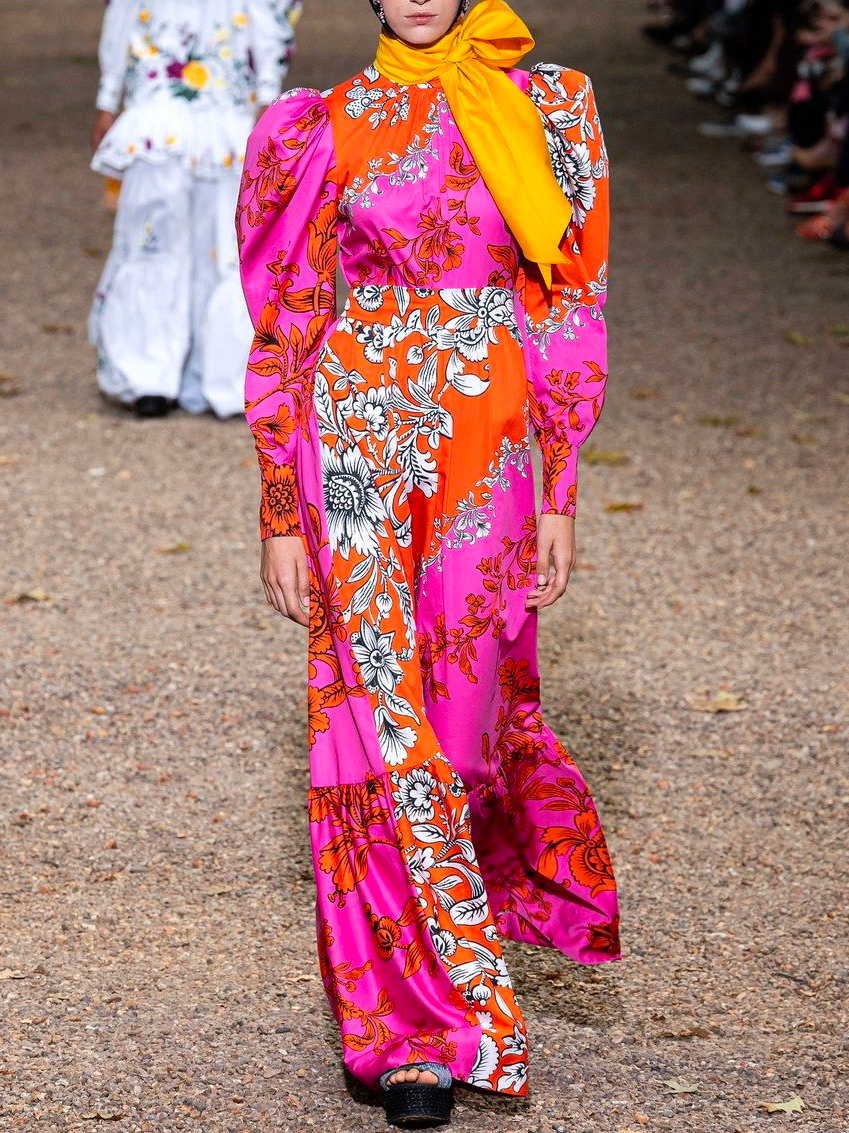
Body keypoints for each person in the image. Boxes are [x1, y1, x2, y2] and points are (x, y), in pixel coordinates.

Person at [236, 0, 621, 1125]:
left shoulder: (542, 109)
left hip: (485, 440)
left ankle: (455, 959)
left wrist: (559, 484)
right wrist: (277, 506)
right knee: (361, 714)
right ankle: (405, 1031)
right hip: (350, 436)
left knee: (462, 709)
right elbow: (288, 319)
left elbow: (565, 302)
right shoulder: (319, 126)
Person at [89, 0, 300, 419]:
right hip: (160, 113)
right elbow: (122, 18)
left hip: (224, 114)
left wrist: (268, 94)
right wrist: (108, 98)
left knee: (220, 245)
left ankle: (217, 376)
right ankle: (151, 375)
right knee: (155, 240)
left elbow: (271, 17)